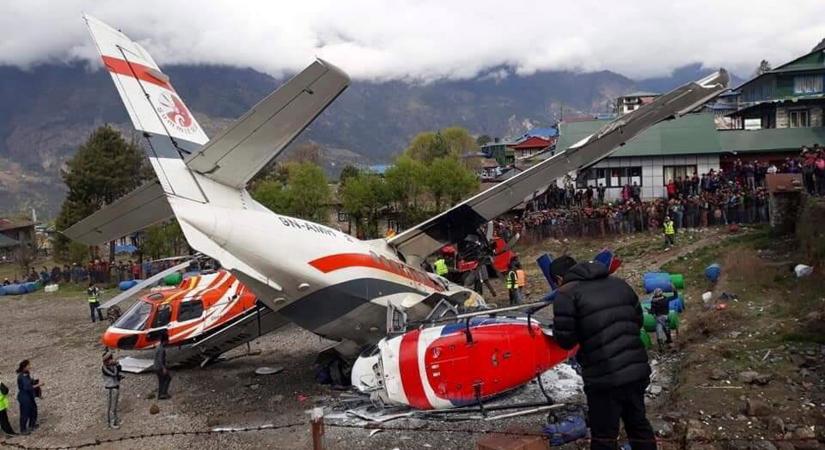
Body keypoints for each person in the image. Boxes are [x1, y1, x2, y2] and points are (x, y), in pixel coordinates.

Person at [550, 256, 656, 450]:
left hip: (604, 377)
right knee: (638, 424)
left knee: (605, 435)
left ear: (558, 279)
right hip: (636, 369)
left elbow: (566, 341)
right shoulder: (620, 284)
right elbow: (638, 321)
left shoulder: (566, 294)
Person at [16, 360, 41, 435]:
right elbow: (27, 387)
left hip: (30, 396)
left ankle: (32, 425)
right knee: (25, 413)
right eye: (29, 365)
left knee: (33, 410)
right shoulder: (22, 376)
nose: (30, 366)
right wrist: (39, 385)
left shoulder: (26, 374)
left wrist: (34, 381)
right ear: (25, 366)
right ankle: (23, 429)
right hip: (24, 397)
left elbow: (29, 382)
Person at [102, 353, 123, 428]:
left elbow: (120, 369)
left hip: (115, 386)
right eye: (110, 359)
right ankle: (111, 423)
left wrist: (117, 364)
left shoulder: (113, 366)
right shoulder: (104, 368)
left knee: (114, 405)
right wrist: (115, 365)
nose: (111, 360)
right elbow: (114, 374)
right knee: (110, 406)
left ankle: (115, 419)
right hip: (109, 388)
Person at [154, 331, 172, 399]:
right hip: (159, 368)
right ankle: (163, 393)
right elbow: (160, 359)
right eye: (167, 340)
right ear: (165, 341)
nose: (168, 342)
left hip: (156, 367)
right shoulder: (162, 349)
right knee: (167, 378)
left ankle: (160, 394)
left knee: (161, 381)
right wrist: (164, 368)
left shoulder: (158, 346)